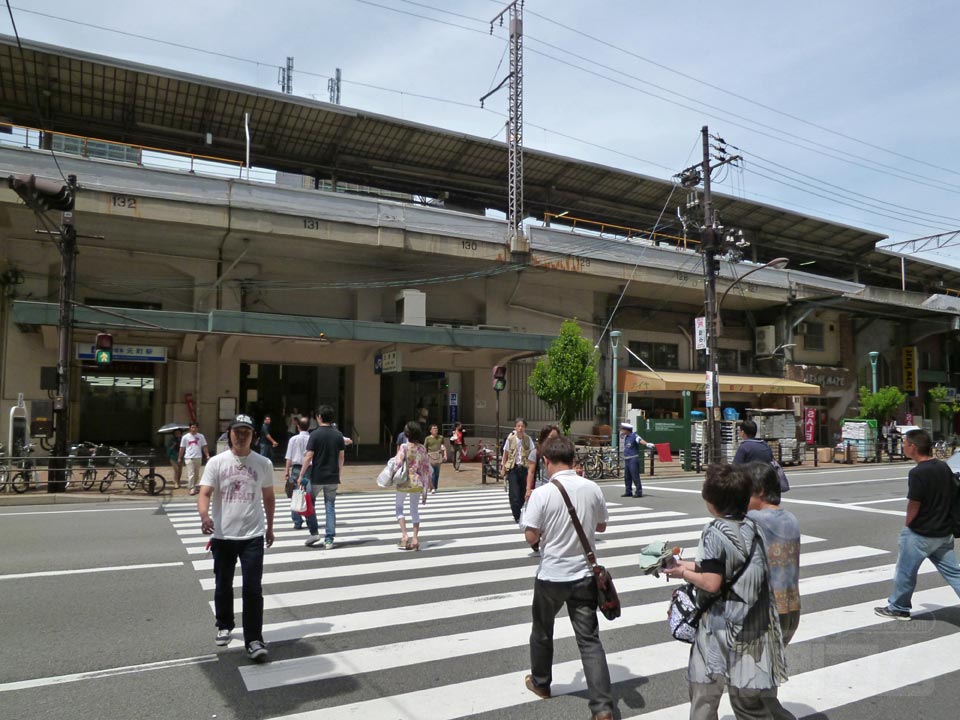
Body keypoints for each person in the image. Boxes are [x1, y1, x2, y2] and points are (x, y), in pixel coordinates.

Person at [663, 463, 787, 720]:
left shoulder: (713, 531)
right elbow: (722, 566)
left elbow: (711, 582)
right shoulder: (752, 528)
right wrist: (685, 564)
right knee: (749, 704)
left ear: (713, 502)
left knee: (704, 698)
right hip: (751, 627)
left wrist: (681, 573)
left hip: (720, 630)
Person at [521, 435, 614, 720]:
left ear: (546, 461)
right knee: (589, 641)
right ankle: (602, 708)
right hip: (584, 575)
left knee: (542, 630)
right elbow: (601, 527)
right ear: (573, 459)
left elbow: (530, 536)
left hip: (551, 576)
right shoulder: (591, 487)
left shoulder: (542, 493)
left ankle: (541, 682)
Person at [197, 414, 275, 663]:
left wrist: (270, 527)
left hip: (252, 535)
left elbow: (269, 497)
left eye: (247, 432)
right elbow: (205, 493)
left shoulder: (263, 463)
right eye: (237, 431)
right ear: (229, 433)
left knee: (253, 588)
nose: (241, 435)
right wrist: (204, 516)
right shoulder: (217, 463)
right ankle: (224, 623)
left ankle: (254, 639)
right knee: (223, 583)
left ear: (254, 436)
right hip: (223, 534)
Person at [875, 428, 960, 620]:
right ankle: (898, 606)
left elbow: (914, 503)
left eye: (905, 444)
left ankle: (898, 608)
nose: (903, 446)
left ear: (913, 447)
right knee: (955, 573)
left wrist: (908, 525)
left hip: (921, 533)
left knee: (905, 572)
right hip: (943, 533)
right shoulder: (942, 467)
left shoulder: (917, 473)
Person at [744, 461, 800, 720]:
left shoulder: (754, 521)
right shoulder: (790, 518)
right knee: (766, 681)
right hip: (790, 609)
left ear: (762, 492)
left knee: (749, 693)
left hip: (766, 615)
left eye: (747, 492)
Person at [297, 405, 346, 549]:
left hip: (317, 475)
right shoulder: (338, 435)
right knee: (330, 506)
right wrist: (339, 472)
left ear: (319, 417)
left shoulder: (315, 434)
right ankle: (329, 539)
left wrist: (301, 475)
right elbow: (341, 457)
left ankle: (314, 532)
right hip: (332, 476)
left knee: (309, 503)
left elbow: (308, 456)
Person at [393, 420, 433, 551]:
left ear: (407, 433)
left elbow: (397, 463)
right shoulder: (422, 448)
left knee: (399, 507)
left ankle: (405, 536)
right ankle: (415, 538)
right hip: (418, 481)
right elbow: (427, 468)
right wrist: (429, 484)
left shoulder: (404, 447)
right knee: (414, 510)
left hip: (404, 481)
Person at [501, 418, 535, 523]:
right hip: (513, 468)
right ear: (515, 427)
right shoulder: (510, 439)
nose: (520, 428)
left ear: (525, 428)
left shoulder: (528, 439)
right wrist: (503, 467)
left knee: (523, 492)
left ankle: (519, 511)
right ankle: (517, 515)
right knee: (514, 493)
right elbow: (505, 453)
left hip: (524, 467)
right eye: (518, 426)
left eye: (522, 426)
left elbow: (532, 453)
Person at [284, 416, 311, 529]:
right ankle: (310, 519)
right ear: (309, 427)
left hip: (296, 468)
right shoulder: (312, 438)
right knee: (308, 495)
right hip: (309, 469)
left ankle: (297, 521)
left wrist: (286, 471)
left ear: (298, 426)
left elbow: (289, 457)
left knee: (296, 494)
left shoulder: (293, 439)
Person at [620, 422, 651, 498]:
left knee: (635, 476)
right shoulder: (626, 436)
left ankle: (638, 491)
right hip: (627, 459)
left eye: (623, 429)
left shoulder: (634, 436)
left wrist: (647, 444)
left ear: (627, 430)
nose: (622, 431)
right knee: (627, 477)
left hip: (633, 459)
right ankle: (628, 491)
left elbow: (640, 440)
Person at [179, 422, 210, 496]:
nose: (193, 429)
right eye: (192, 427)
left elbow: (204, 446)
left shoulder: (201, 436)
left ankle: (194, 485)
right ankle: (191, 488)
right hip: (189, 457)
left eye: (195, 427)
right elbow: (182, 448)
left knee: (196, 473)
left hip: (198, 456)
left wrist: (207, 455)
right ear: (189, 428)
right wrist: (179, 457)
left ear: (197, 428)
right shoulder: (185, 437)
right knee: (191, 473)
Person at [424, 423, 447, 494]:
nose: (435, 430)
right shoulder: (427, 438)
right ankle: (432, 487)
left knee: (437, 473)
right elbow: (425, 448)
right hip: (430, 456)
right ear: (430, 430)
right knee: (432, 472)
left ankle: (435, 487)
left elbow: (443, 446)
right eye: (433, 429)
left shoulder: (441, 437)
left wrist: (445, 455)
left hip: (438, 456)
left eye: (436, 428)